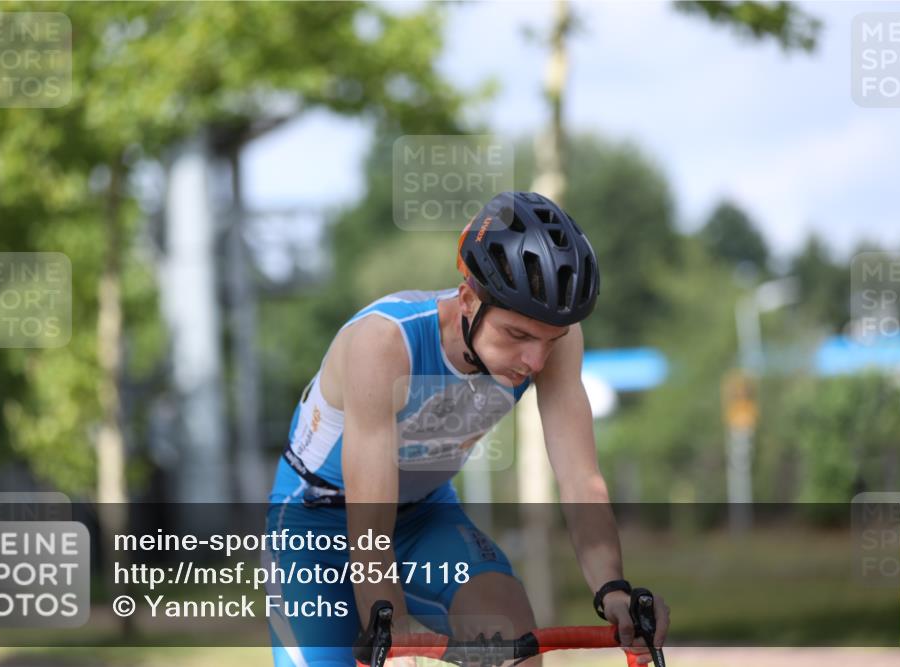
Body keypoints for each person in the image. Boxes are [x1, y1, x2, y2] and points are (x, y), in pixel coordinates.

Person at [266, 191, 669, 666]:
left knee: (512, 638)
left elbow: (581, 478)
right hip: (315, 525)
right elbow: (368, 515)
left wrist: (613, 590)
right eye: (516, 336)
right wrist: (392, 627)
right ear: (467, 299)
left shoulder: (554, 341)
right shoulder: (384, 342)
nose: (535, 360)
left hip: (424, 515)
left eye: (549, 340)